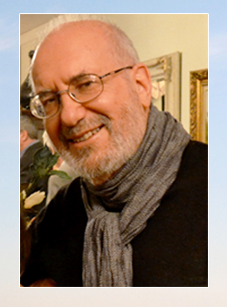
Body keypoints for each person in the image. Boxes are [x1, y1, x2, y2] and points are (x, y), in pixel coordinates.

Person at [20, 18, 207, 287]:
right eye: (49, 100)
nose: (70, 116)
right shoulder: (56, 219)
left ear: (141, 86)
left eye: (85, 84)